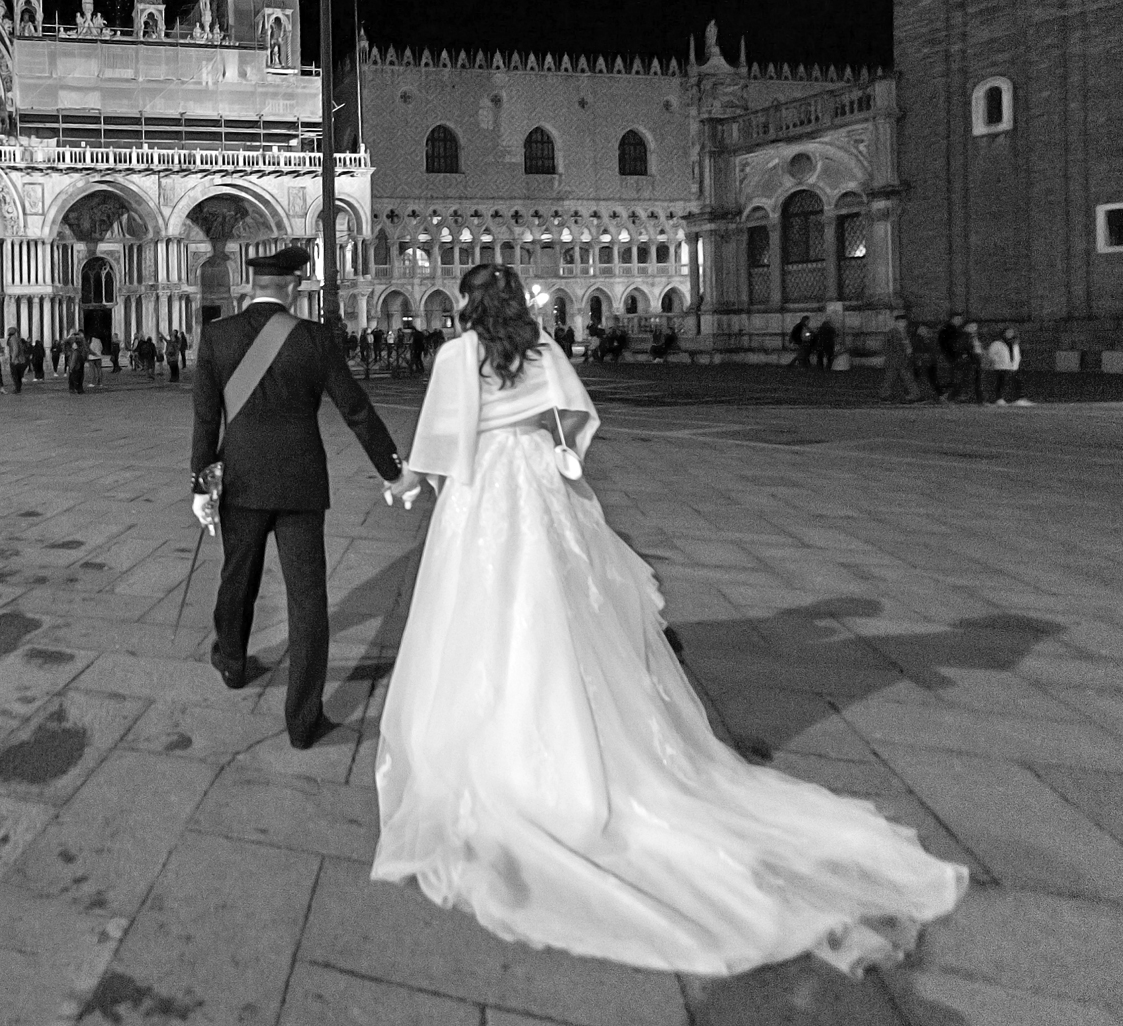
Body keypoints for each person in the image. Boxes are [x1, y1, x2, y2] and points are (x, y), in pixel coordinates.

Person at [371, 262, 967, 975]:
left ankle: (496, 736)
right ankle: (574, 726)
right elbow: (574, 420)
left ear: (469, 305)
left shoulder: (457, 356)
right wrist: (546, 444)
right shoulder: (542, 350)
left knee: (479, 611)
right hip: (537, 487)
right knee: (558, 611)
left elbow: (441, 443)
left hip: (484, 494)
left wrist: (405, 481)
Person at [192, 246, 406, 750]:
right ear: (291, 287)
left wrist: (201, 485)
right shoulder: (313, 337)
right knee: (307, 599)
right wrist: (391, 470)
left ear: (251, 287)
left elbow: (205, 418)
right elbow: (355, 409)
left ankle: (232, 662)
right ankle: (303, 721)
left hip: (241, 482)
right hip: (301, 483)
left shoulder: (217, 336)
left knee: (237, 577)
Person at [879, 313, 922, 403]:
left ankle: (885, 395)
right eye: (899, 322)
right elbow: (885, 347)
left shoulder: (906, 333)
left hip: (903, 359)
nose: (902, 324)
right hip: (895, 360)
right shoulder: (891, 333)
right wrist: (894, 356)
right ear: (895, 323)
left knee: (899, 378)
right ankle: (914, 395)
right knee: (892, 378)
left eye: (903, 322)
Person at [985, 326, 1032, 405]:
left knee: (1017, 382)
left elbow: (1017, 354)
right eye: (1008, 332)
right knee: (1001, 383)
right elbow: (991, 354)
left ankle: (1018, 399)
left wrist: (1016, 362)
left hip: (1013, 367)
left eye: (1011, 332)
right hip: (1001, 367)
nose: (1009, 334)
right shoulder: (997, 343)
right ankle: (999, 399)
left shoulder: (1015, 344)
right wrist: (998, 360)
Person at [7, 327, 28, 393]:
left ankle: (17, 388)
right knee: (18, 375)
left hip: (17, 360)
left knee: (15, 375)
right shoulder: (17, 338)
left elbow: (15, 349)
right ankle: (18, 388)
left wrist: (13, 359)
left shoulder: (12, 338)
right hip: (21, 359)